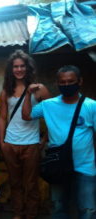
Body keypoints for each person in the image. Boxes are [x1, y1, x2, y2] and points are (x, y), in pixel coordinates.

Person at [22, 65, 96, 219]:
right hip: (57, 167)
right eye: (62, 82)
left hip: (85, 167)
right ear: (57, 83)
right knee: (59, 207)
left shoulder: (91, 106)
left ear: (80, 81)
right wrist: (28, 94)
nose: (66, 85)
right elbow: (27, 115)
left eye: (71, 81)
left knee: (88, 210)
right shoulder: (49, 105)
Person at [0, 50, 50, 219]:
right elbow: (2, 118)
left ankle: (31, 215)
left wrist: (44, 139)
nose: (19, 69)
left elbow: (52, 116)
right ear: (11, 69)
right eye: (15, 66)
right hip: (10, 143)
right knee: (15, 183)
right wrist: (2, 142)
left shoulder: (39, 89)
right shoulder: (6, 90)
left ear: (28, 68)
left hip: (31, 144)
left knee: (32, 184)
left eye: (22, 66)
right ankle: (17, 214)